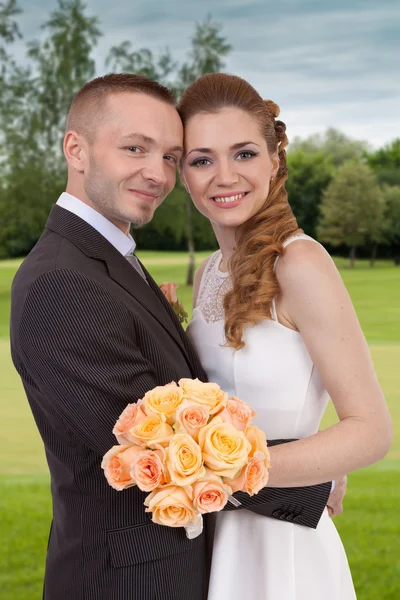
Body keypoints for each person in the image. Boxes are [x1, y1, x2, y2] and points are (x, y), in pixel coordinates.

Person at [10, 73, 335, 600]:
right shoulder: (61, 280)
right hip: (128, 580)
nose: (155, 173)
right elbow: (157, 451)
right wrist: (311, 481)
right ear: (76, 149)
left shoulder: (108, 259)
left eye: (169, 156)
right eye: (134, 148)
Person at [178, 72, 393, 600]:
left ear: (275, 160)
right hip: (211, 540)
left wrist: (232, 470)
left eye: (244, 154)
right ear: (183, 174)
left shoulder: (299, 262)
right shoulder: (208, 271)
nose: (224, 176)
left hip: (282, 547)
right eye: (202, 159)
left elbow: (370, 429)